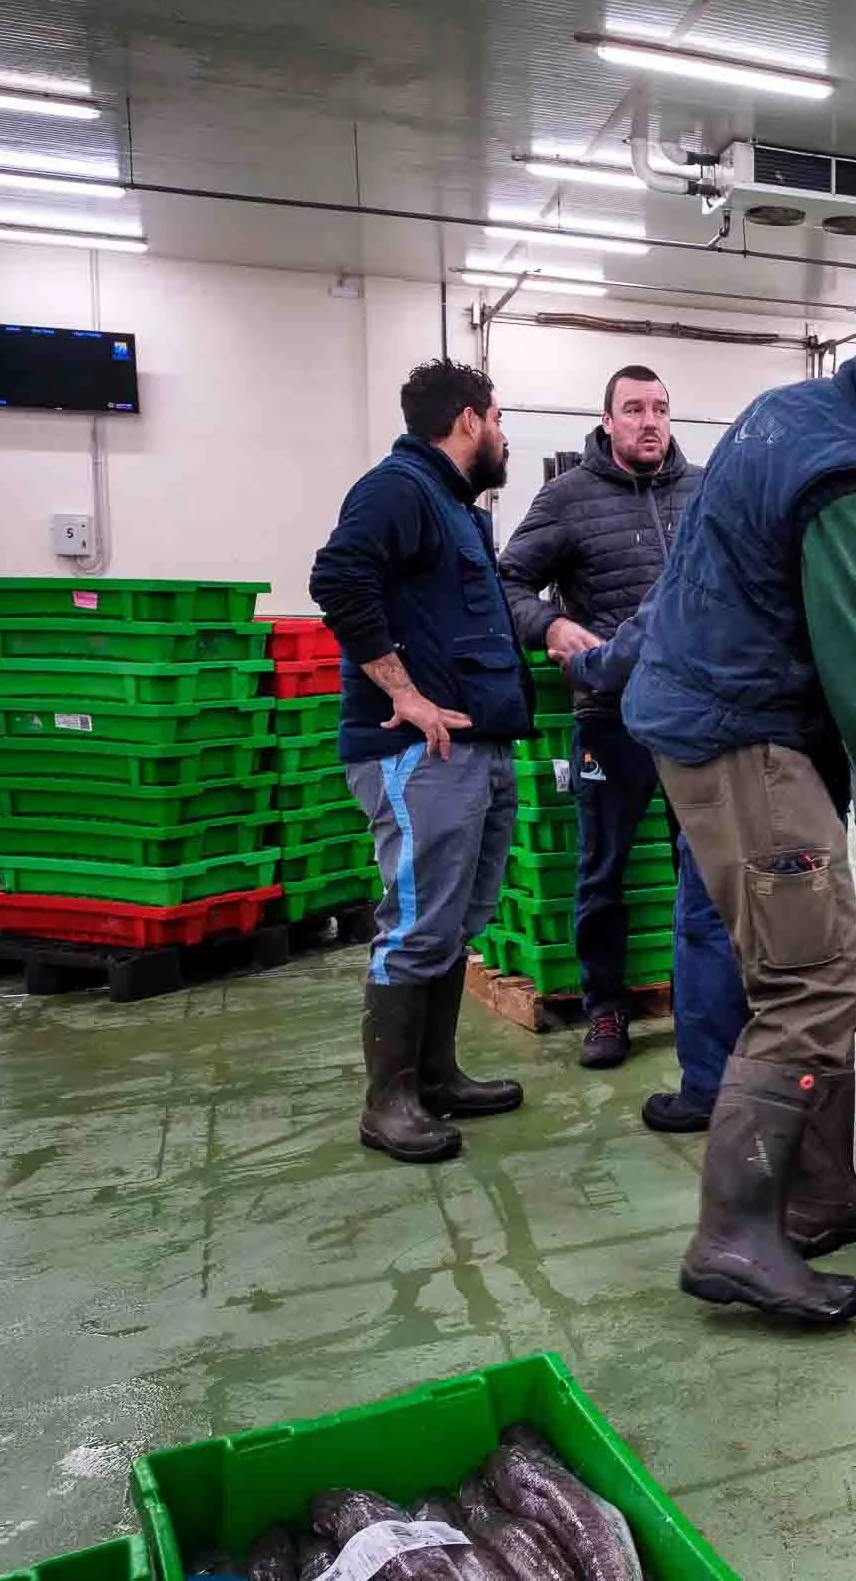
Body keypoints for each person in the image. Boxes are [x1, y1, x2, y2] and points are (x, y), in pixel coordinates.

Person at [592, 290, 856, 1326]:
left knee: (823, 959)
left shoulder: (784, 410)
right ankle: (733, 1233)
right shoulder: (852, 479)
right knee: (810, 978)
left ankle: (818, 1193)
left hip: (716, 713)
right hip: (743, 734)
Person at [496, 366, 750, 1113]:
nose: (650, 421)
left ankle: (701, 1011)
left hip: (700, 716)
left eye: (662, 408)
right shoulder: (568, 497)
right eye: (634, 409)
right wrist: (549, 624)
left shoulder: (705, 489)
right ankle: (605, 1006)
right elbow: (505, 581)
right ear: (606, 420)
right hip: (611, 715)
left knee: (706, 879)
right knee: (601, 868)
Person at [308, 359, 532, 1165]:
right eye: (498, 418)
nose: (504, 435)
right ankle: (388, 1101)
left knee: (455, 918)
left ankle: (435, 1075)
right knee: (414, 921)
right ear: (468, 420)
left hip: (474, 746)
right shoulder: (398, 487)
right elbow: (337, 579)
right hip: (418, 750)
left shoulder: (454, 507)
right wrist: (403, 692)